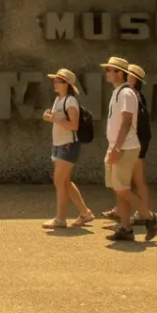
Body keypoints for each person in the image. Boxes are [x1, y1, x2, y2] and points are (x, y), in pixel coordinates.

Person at [99, 57, 157, 242]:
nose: (106, 73)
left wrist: (116, 148)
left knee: (122, 188)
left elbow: (126, 122)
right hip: (118, 146)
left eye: (109, 69)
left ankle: (150, 217)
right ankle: (125, 228)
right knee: (120, 189)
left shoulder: (126, 93)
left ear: (119, 72)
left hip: (125, 147)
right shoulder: (118, 92)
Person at [41, 68, 94, 229]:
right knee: (64, 181)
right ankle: (85, 214)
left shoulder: (70, 101)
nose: (55, 83)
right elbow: (58, 119)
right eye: (55, 80)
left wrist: (53, 119)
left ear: (67, 84)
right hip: (59, 144)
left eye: (58, 81)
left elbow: (74, 125)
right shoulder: (58, 100)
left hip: (68, 145)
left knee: (59, 181)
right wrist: (51, 117)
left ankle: (60, 218)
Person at [127, 63, 157, 235]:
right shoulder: (136, 95)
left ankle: (145, 214)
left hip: (137, 142)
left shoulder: (134, 95)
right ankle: (140, 213)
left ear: (134, 79)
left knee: (136, 180)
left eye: (128, 74)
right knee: (135, 180)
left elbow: (134, 123)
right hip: (139, 141)